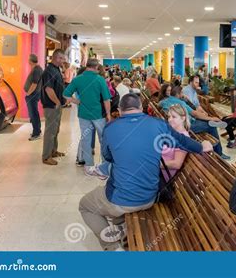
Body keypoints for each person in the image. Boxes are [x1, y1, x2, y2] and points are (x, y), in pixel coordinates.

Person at [79, 93, 213, 251]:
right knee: (119, 203)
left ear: (120, 110)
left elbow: (108, 156)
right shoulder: (158, 124)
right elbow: (182, 141)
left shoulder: (111, 127)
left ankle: (112, 247)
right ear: (141, 108)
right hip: (150, 196)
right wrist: (202, 146)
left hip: (122, 199)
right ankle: (122, 231)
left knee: (85, 206)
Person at [64, 59, 111, 176]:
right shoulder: (100, 80)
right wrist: (108, 114)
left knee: (86, 139)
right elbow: (106, 99)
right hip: (98, 115)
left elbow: (65, 94)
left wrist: (78, 101)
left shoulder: (77, 79)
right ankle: (104, 165)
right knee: (102, 139)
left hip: (83, 114)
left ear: (86, 66)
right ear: (96, 67)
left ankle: (88, 165)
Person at [159, 86, 230, 160]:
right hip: (188, 125)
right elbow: (194, 114)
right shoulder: (180, 103)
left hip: (177, 124)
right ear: (178, 94)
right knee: (211, 126)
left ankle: (210, 121)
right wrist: (211, 118)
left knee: (206, 121)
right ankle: (219, 153)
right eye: (182, 93)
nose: (183, 94)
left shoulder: (165, 101)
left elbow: (159, 104)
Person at [41, 49, 66, 166]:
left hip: (57, 105)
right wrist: (57, 102)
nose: (64, 60)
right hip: (51, 106)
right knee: (50, 131)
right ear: (57, 58)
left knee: (56, 130)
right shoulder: (48, 71)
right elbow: (48, 89)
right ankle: (46, 156)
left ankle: (53, 151)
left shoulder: (56, 69)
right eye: (62, 58)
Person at [24, 54, 43, 141]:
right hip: (33, 95)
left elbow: (34, 84)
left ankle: (36, 133)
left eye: (28, 59)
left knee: (33, 114)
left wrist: (28, 93)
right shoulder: (37, 69)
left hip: (32, 95)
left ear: (31, 61)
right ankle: (37, 130)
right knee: (34, 113)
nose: (27, 61)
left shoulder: (36, 70)